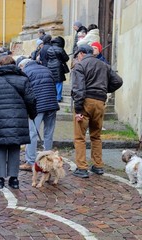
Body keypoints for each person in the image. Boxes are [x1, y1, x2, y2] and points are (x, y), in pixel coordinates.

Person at [0, 55, 36, 189]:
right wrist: (33, 114)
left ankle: (0, 179)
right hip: (18, 117)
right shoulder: (22, 79)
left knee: (0, 147)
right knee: (14, 147)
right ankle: (14, 179)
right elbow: (31, 99)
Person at [71, 44, 123, 178]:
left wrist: (78, 109)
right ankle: (98, 165)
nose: (77, 57)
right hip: (100, 103)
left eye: (77, 55)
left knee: (79, 137)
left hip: (85, 102)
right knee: (96, 136)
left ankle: (82, 168)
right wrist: (105, 90)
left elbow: (78, 89)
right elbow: (118, 81)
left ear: (82, 53)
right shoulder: (104, 65)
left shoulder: (80, 66)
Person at [18, 59, 60, 171]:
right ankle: (49, 159)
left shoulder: (26, 71)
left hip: (38, 106)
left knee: (32, 133)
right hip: (51, 104)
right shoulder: (47, 69)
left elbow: (26, 92)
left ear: (22, 65)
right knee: (48, 133)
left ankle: (30, 161)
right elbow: (54, 88)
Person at [46, 36, 69, 102]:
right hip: (58, 67)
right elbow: (66, 58)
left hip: (50, 66)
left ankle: (52, 96)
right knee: (59, 82)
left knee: (53, 82)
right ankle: (58, 97)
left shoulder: (49, 49)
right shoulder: (60, 49)